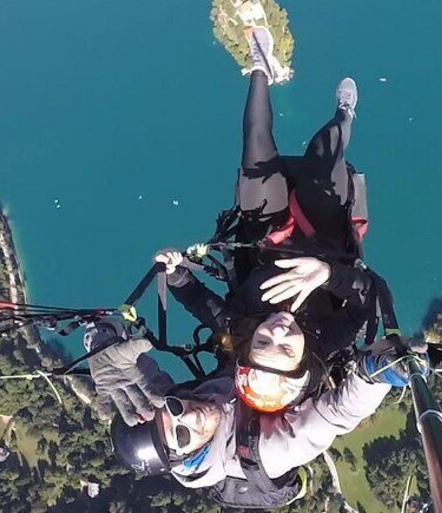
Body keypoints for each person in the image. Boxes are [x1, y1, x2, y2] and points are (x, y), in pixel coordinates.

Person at [156, 25, 395, 414]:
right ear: (303, 360)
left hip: (266, 236)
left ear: (250, 345)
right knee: (323, 154)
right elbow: (370, 299)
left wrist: (175, 269)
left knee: (255, 156)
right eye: (285, 348)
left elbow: (197, 299)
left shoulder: (239, 324)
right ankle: (345, 114)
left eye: (263, 344)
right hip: (324, 237)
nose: (277, 333)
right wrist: (327, 274)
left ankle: (259, 68)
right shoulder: (325, 337)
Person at [86, 321, 410, 508]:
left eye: (173, 409)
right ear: (188, 457)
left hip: (248, 377)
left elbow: (137, 374)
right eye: (181, 434)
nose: (188, 415)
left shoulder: (180, 404)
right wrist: (378, 372)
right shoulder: (263, 452)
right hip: (293, 393)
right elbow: (334, 414)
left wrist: (100, 343)